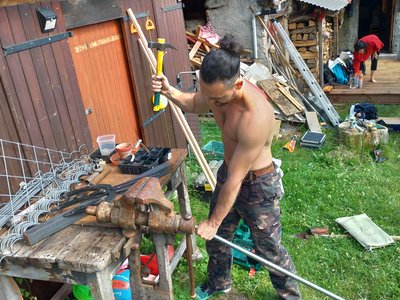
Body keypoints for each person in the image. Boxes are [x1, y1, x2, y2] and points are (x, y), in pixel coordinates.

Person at [152, 34, 300, 300]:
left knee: (268, 249)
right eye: (210, 96)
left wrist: (213, 219)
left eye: (218, 99)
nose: (213, 104)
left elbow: (236, 180)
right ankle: (220, 282)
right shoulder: (214, 91)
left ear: (238, 84)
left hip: (258, 185)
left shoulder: (255, 117)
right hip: (229, 173)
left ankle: (290, 296)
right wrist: (168, 91)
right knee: (217, 238)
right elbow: (195, 103)